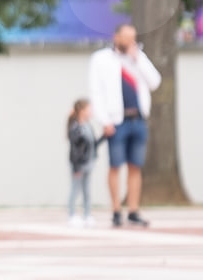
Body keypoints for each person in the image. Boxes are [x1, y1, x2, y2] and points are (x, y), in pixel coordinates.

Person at [87, 24, 160, 228]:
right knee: (115, 165)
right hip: (116, 121)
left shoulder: (138, 58)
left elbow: (155, 82)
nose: (130, 42)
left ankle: (133, 209)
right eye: (126, 38)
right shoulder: (101, 59)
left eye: (133, 38)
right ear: (116, 36)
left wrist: (137, 58)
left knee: (136, 165)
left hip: (138, 119)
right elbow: (96, 91)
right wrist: (104, 120)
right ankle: (116, 209)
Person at [66, 99, 103, 227]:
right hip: (79, 165)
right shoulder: (76, 127)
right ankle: (71, 215)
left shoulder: (88, 126)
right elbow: (75, 148)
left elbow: (93, 144)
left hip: (89, 163)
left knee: (87, 190)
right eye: (89, 109)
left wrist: (105, 136)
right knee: (75, 189)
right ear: (82, 111)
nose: (91, 112)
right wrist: (76, 167)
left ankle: (87, 215)